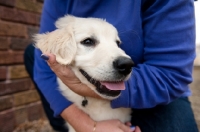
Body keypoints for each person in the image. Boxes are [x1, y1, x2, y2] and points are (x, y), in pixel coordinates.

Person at [24, 0, 199, 132]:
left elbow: (171, 75)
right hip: (90, 92)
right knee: (33, 53)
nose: (120, 55)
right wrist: (87, 125)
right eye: (88, 41)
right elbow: (43, 59)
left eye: (117, 42)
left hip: (155, 90)